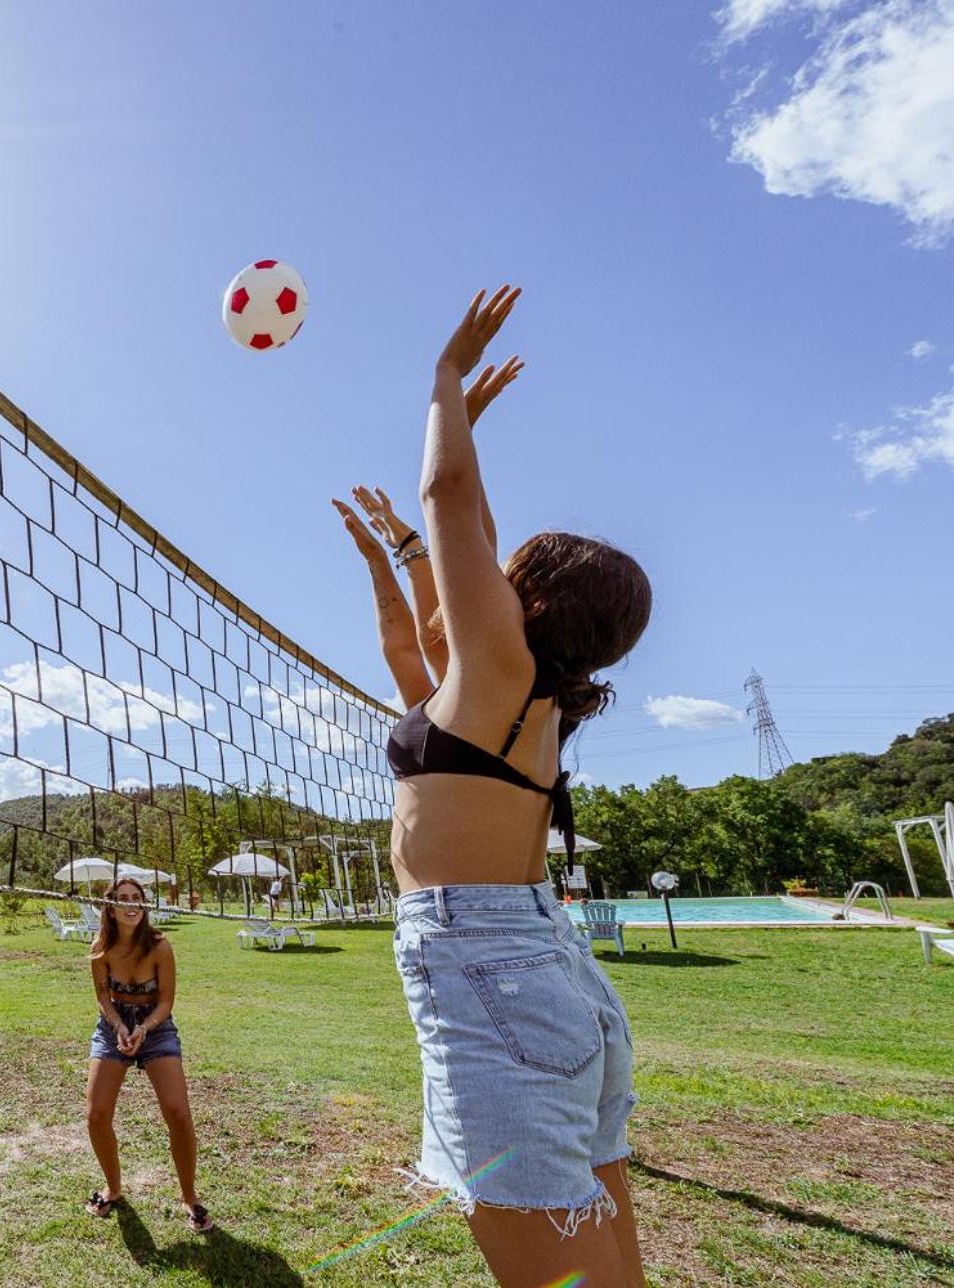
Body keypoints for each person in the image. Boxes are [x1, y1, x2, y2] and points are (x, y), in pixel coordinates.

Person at [333, 287, 652, 1287]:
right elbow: (413, 635)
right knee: (599, 1243)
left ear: (532, 600)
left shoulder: (504, 675)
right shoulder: (518, 697)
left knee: (549, 1267)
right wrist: (398, 552)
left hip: (496, 971)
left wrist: (445, 383)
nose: (490, 571)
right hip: (538, 969)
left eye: (510, 569)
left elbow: (449, 498)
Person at [82, 877, 212, 1233]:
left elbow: (167, 1000)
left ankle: (189, 1197)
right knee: (96, 1113)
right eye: (123, 898)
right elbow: (103, 998)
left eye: (137, 898)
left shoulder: (159, 946)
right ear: (110, 906)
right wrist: (120, 1027)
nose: (131, 904)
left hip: (156, 1027)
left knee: (178, 1113)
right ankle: (113, 1188)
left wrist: (143, 1029)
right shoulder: (100, 947)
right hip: (114, 1027)